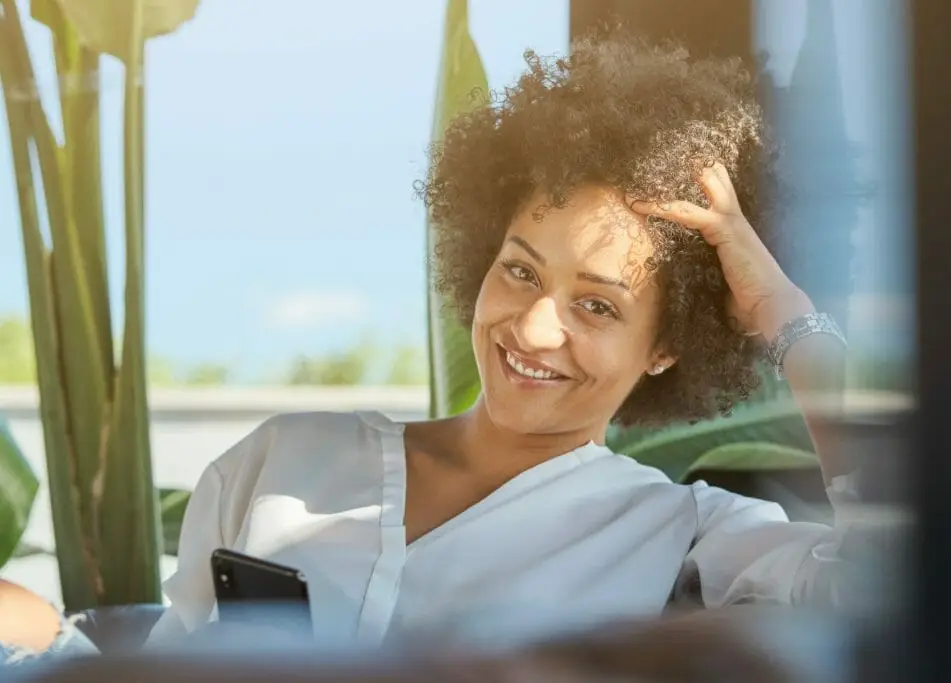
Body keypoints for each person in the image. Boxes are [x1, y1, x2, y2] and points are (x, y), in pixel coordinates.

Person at [1, 30, 859, 664]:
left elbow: (904, 587)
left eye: (597, 305)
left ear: (668, 345)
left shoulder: (683, 535)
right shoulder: (281, 460)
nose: (533, 328)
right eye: (520, 270)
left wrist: (785, 317)